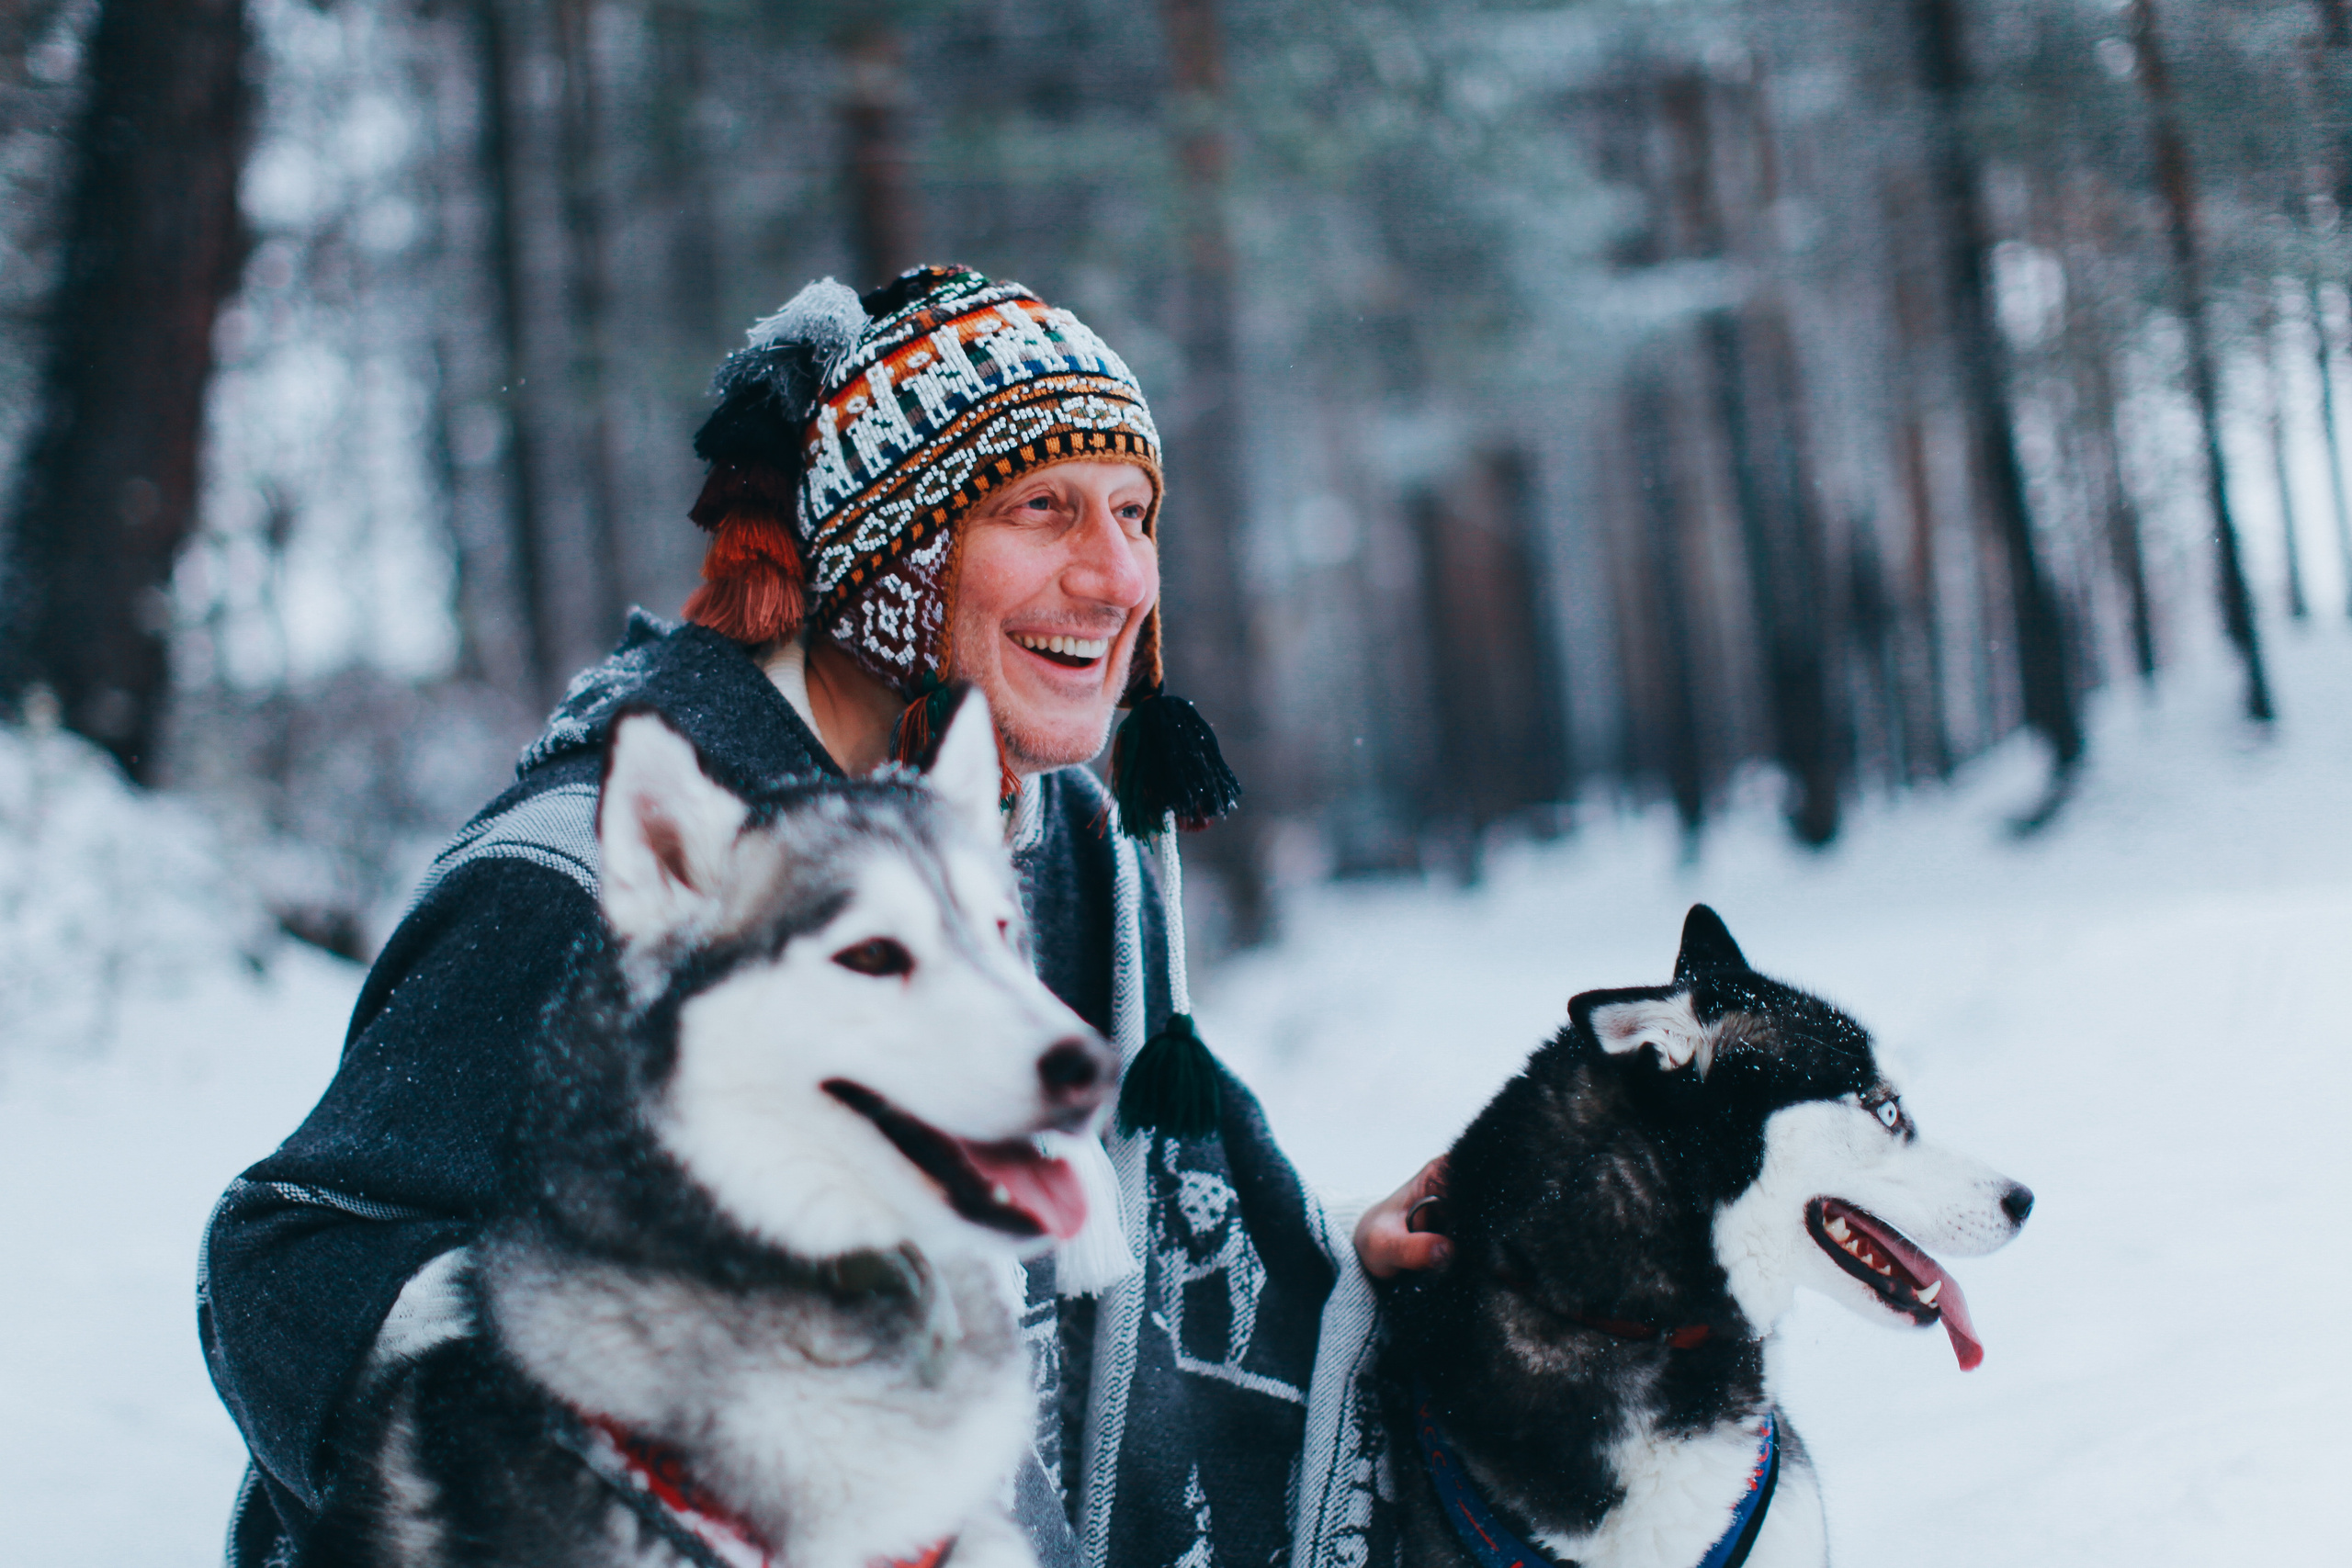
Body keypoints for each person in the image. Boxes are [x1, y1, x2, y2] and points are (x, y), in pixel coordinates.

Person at [198, 265, 1446, 1568]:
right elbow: (292, 1258)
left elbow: (1150, 1197)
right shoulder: (615, 875)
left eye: (1137, 513)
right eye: (1046, 509)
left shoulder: (1055, 830)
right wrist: (632, 1482)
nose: (1119, 575)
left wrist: (1343, 1246)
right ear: (896, 553)